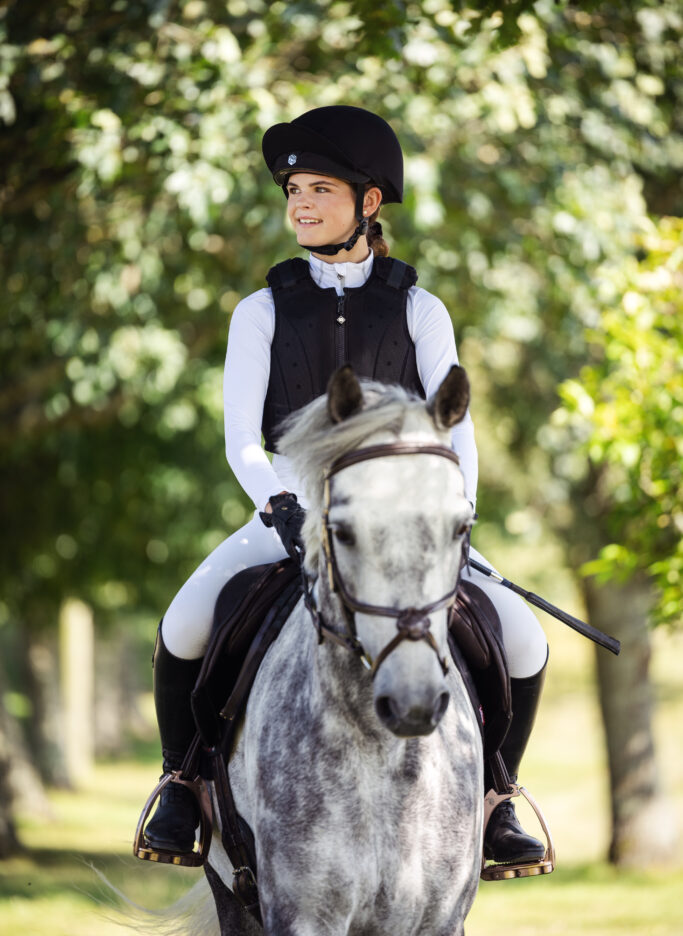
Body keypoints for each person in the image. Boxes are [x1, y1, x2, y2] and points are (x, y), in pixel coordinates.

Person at [142, 105, 549, 867]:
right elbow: (241, 437)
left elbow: (453, 427)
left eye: (318, 188)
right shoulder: (258, 311)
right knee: (186, 623)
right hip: (288, 505)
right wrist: (283, 507)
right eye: (292, 188)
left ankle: (497, 798)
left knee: (523, 638)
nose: (298, 202)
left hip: (405, 510)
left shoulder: (420, 309)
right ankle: (181, 784)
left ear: (369, 202)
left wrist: (453, 514)